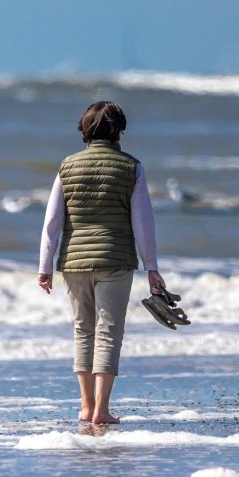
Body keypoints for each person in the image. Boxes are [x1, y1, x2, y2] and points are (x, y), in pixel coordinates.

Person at [38, 100, 166, 425]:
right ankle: (102, 410)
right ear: (119, 130)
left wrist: (44, 266)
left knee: (83, 330)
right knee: (108, 331)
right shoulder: (131, 167)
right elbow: (143, 222)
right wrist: (151, 266)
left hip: (73, 261)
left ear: (84, 130)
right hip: (116, 259)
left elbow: (52, 221)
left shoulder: (66, 166)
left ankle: (85, 405)